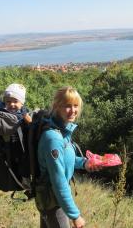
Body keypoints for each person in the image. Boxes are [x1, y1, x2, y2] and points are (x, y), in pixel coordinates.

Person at [36, 86, 101, 228]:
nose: (73, 111)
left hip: (51, 199)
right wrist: (75, 215)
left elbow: (66, 160)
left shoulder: (62, 131)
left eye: (76, 106)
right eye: (67, 106)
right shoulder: (53, 138)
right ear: (57, 107)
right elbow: (58, 181)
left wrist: (85, 163)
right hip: (53, 201)